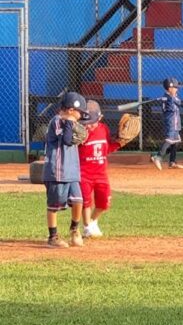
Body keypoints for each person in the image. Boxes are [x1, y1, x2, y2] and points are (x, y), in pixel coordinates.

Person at [43, 92, 90, 248]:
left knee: (78, 201)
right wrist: (69, 123)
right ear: (71, 110)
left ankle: (74, 230)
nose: (81, 116)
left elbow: (78, 137)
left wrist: (76, 125)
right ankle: (53, 237)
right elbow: (67, 139)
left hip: (72, 171)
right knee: (54, 205)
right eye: (80, 113)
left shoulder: (73, 122)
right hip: (57, 172)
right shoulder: (56, 121)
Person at [78, 100, 127, 238]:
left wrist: (119, 143)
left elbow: (105, 149)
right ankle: (87, 226)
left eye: (92, 122)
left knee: (104, 203)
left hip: (100, 174)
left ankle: (93, 221)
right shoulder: (81, 133)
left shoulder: (103, 129)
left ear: (100, 118)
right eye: (85, 123)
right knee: (86, 202)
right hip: (84, 173)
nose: (89, 126)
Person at [150, 77, 183, 170]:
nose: (177, 89)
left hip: (176, 122)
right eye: (175, 87)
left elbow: (179, 103)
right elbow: (170, 109)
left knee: (175, 142)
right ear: (170, 88)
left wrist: (171, 97)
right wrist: (170, 98)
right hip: (171, 122)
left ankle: (172, 162)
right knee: (169, 140)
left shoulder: (171, 97)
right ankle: (158, 156)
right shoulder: (167, 99)